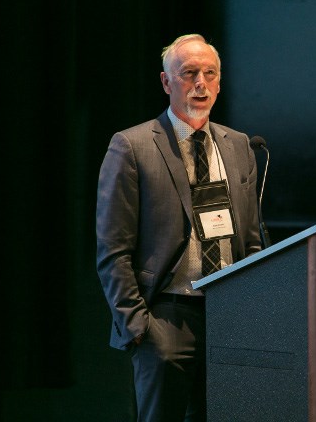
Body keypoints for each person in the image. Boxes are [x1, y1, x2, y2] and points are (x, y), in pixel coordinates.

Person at [96, 33, 261, 422]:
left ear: (220, 82)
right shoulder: (132, 146)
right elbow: (112, 250)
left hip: (229, 317)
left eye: (210, 73)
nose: (200, 83)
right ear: (167, 82)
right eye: (188, 74)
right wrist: (140, 327)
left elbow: (252, 240)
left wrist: (254, 312)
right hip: (166, 317)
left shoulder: (239, 146)